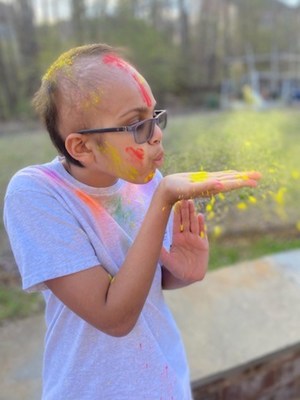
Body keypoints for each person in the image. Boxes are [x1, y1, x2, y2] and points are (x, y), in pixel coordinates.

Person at [3, 43, 261, 400]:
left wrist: (182, 271)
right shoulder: (37, 193)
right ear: (81, 148)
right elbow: (115, 317)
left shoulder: (145, 182)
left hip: (165, 383)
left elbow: (146, 284)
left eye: (155, 117)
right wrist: (162, 203)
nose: (156, 133)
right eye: (137, 124)